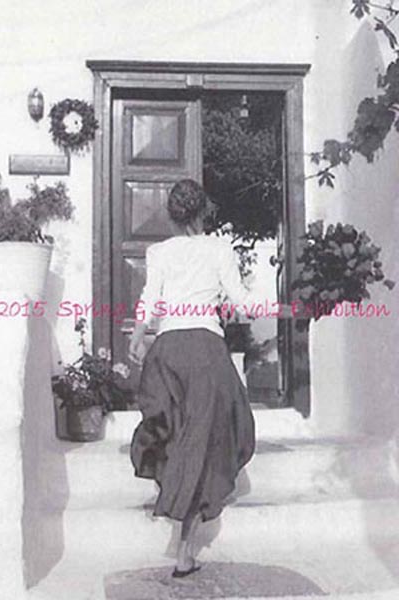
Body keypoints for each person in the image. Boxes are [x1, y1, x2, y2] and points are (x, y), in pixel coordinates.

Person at [128, 179, 258, 578]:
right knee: (206, 441)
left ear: (171, 215)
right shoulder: (219, 248)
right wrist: (264, 307)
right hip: (204, 352)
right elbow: (241, 301)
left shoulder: (158, 252)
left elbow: (150, 299)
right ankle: (184, 547)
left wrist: (137, 335)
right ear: (203, 212)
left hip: (167, 350)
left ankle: (175, 499)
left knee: (174, 434)